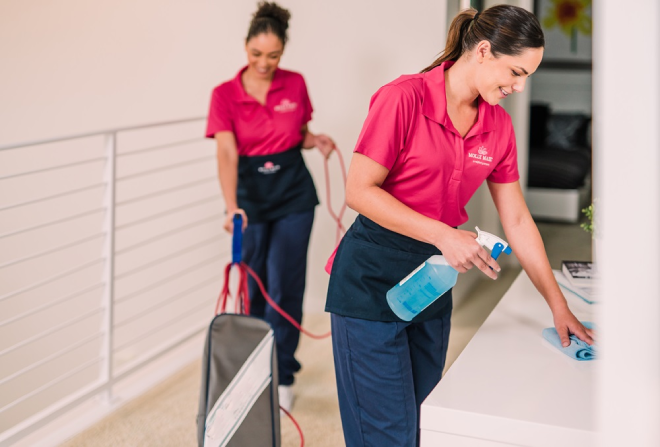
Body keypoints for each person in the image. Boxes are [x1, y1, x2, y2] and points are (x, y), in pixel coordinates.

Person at [325, 5, 595, 446]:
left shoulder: (498, 125)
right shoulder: (404, 98)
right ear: (484, 51)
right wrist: (444, 235)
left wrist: (558, 304)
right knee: (385, 435)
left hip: (432, 282)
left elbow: (518, 218)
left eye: (527, 76)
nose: (520, 86)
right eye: (515, 71)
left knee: (424, 421)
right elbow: (359, 191)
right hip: (369, 281)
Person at [205, 1, 335, 412]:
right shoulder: (224, 95)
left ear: (283, 52)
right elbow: (226, 153)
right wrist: (231, 206)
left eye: (273, 56)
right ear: (245, 47)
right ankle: (253, 369)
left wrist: (315, 140)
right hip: (250, 197)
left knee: (286, 285)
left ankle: (283, 373)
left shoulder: (294, 84)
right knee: (254, 285)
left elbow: (296, 132)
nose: (264, 63)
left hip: (294, 191)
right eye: (257, 54)